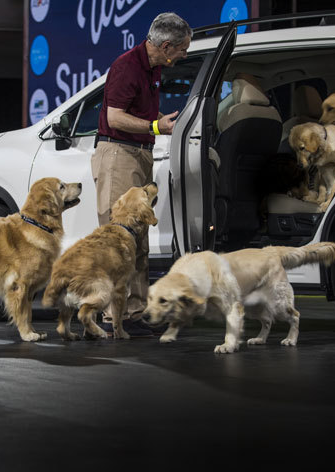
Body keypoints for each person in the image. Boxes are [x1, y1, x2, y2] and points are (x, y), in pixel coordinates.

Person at [91, 12, 192, 337]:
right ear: (166, 46)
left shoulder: (154, 68)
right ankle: (112, 316)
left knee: (137, 238)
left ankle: (133, 312)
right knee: (117, 238)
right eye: (182, 49)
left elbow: (142, 113)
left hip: (138, 154)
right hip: (119, 153)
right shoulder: (127, 66)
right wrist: (154, 126)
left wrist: (168, 123)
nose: (184, 55)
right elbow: (116, 117)